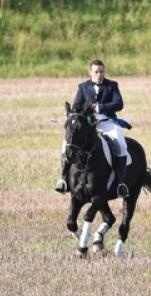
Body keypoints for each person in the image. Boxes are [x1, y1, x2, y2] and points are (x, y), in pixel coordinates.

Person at [56, 58, 130, 197]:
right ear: (90, 72)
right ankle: (63, 179)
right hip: (88, 124)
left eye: (102, 71)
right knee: (66, 144)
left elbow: (119, 104)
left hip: (107, 122)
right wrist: (80, 113)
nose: (99, 74)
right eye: (96, 72)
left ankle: (121, 183)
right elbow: (76, 106)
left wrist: (100, 107)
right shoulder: (83, 87)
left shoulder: (112, 85)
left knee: (122, 145)